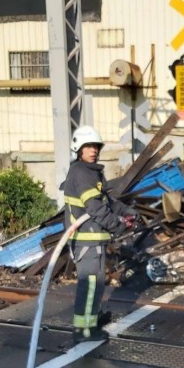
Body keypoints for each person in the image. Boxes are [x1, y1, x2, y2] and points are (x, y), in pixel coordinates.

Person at [61, 125, 138, 343]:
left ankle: (92, 319)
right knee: (90, 283)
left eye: (95, 146)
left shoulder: (92, 172)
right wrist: (118, 226)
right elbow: (95, 208)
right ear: (79, 149)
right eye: (88, 147)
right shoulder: (81, 173)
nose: (93, 150)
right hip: (86, 240)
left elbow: (107, 201)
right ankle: (83, 331)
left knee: (97, 282)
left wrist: (126, 212)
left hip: (94, 239)